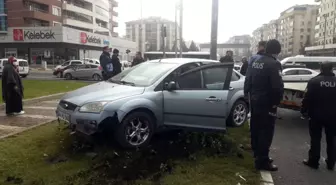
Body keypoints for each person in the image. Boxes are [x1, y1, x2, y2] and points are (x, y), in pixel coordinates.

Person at [244, 39, 284, 171]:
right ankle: (263, 161)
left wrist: (247, 94)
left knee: (255, 129)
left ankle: (258, 154)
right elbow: (277, 87)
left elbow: (248, 79)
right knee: (265, 133)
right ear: (277, 51)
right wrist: (275, 103)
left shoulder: (256, 61)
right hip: (267, 103)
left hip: (255, 100)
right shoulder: (274, 64)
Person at [301, 61, 336, 171]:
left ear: (321, 69)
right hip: (333, 116)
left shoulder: (314, 81)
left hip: (316, 115)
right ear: (331, 69)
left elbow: (307, 98)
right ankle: (331, 163)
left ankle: (313, 161)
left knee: (315, 138)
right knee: (332, 139)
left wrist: (304, 111)